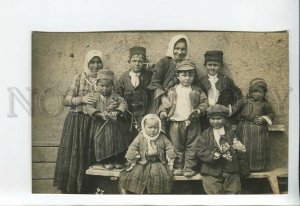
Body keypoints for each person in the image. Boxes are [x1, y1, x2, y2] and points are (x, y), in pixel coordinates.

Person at [53, 50, 105, 194]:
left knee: (90, 155)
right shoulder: (80, 77)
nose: (96, 66)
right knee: (76, 155)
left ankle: (90, 189)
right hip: (77, 121)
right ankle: (73, 190)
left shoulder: (104, 79)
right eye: (92, 62)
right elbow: (66, 100)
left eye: (98, 62)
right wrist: (82, 99)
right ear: (87, 63)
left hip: (95, 122)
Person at [159, 60, 208, 177]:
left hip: (192, 122)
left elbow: (204, 103)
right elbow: (164, 105)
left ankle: (189, 167)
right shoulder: (172, 90)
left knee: (192, 145)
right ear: (177, 76)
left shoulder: (197, 90)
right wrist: (163, 113)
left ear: (194, 76)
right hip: (175, 123)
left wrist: (199, 110)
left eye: (190, 75)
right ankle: (178, 166)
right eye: (184, 75)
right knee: (177, 146)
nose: (187, 78)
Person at [195, 104, 250, 194]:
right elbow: (200, 150)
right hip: (211, 170)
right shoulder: (205, 134)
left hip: (230, 169)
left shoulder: (231, 134)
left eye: (219, 119)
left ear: (225, 119)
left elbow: (239, 151)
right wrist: (212, 155)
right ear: (209, 119)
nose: (216, 122)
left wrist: (244, 168)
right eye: (213, 119)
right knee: (214, 193)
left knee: (233, 192)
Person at [119, 114, 176, 194]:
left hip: (157, 162)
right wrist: (132, 162)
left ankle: (155, 194)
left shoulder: (162, 137)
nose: (153, 130)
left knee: (158, 176)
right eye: (150, 127)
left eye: (155, 128)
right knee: (134, 176)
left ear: (159, 127)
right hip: (143, 162)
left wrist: (170, 162)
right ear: (144, 127)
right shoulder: (140, 137)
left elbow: (169, 147)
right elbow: (133, 147)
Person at [87, 69, 131, 170]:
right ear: (97, 85)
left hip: (114, 127)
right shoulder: (95, 97)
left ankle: (116, 160)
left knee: (116, 142)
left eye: (108, 86)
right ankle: (105, 160)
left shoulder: (115, 96)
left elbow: (123, 103)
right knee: (101, 142)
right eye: (102, 86)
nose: (105, 89)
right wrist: (99, 114)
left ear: (112, 86)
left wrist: (118, 111)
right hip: (99, 126)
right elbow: (89, 107)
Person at [231, 78, 274, 171]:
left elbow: (271, 114)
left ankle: (258, 167)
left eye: (260, 92)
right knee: (244, 149)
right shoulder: (243, 101)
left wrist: (264, 118)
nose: (257, 94)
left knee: (258, 149)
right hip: (244, 130)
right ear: (250, 92)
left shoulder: (265, 104)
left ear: (264, 93)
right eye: (254, 91)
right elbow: (233, 110)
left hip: (259, 131)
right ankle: (244, 168)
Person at [199, 50, 242, 129]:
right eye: (209, 65)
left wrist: (230, 110)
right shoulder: (201, 81)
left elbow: (239, 97)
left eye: (215, 65)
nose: (212, 68)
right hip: (206, 117)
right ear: (205, 65)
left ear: (220, 65)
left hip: (222, 117)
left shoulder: (226, 80)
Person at [147, 34, 191, 113]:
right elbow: (155, 81)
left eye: (183, 49)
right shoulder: (164, 62)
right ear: (172, 48)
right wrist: (163, 98)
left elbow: (195, 82)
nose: (180, 52)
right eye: (177, 48)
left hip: (182, 100)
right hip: (163, 98)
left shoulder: (189, 64)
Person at [115, 46, 152, 133]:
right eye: (134, 61)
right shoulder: (124, 77)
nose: (137, 64)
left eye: (140, 61)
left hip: (144, 113)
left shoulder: (149, 75)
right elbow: (118, 93)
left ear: (144, 62)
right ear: (129, 62)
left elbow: (152, 92)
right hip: (128, 114)